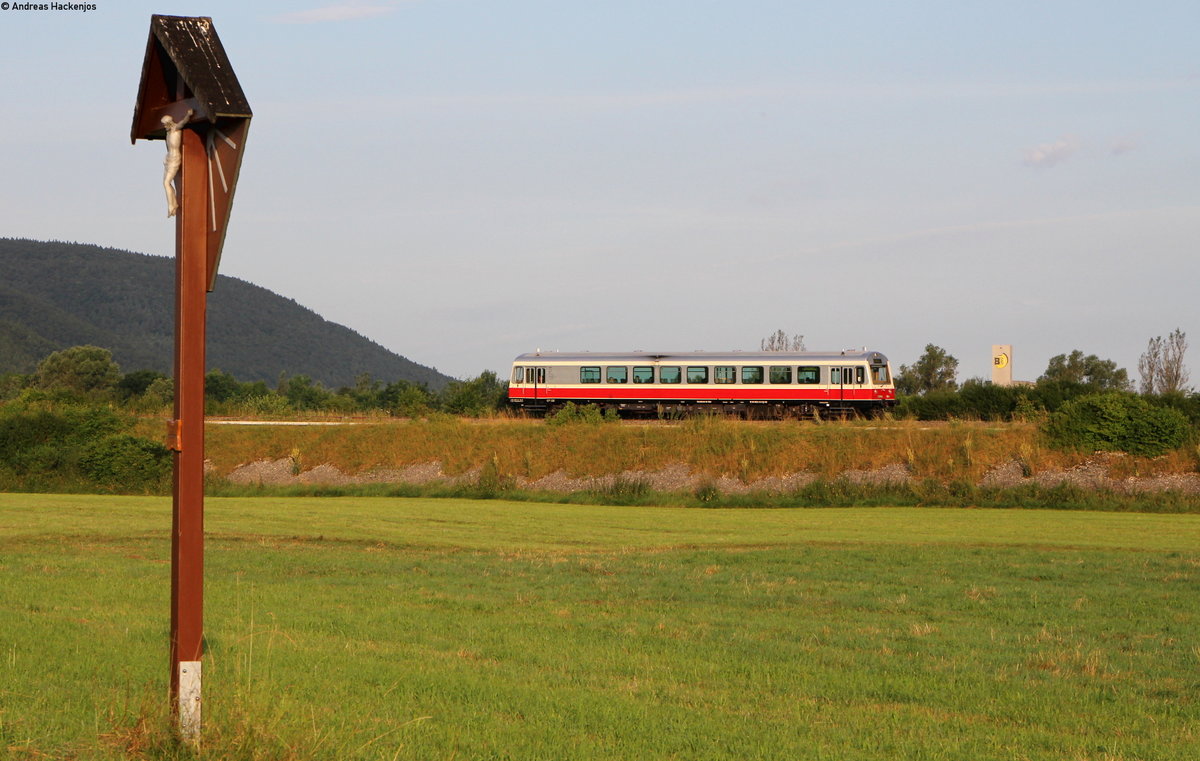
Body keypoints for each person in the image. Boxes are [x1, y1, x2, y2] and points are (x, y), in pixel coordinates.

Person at [162, 109, 195, 217]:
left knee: (166, 183)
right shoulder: (168, 133)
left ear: (169, 123)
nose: (164, 127)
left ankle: (172, 205)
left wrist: (188, 115)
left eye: (164, 125)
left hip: (175, 158)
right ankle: (173, 203)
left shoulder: (176, 129)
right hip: (168, 159)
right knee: (166, 183)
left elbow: (183, 122)